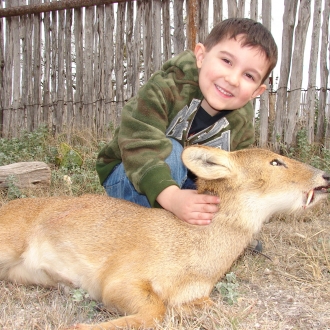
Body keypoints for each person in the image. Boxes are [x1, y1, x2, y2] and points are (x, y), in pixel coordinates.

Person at [96, 17, 278, 227]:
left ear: (257, 91)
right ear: (201, 56)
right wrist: (172, 197)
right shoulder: (167, 87)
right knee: (173, 151)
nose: (232, 79)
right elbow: (138, 142)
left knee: (219, 186)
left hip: (185, 185)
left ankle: (196, 225)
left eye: (248, 75)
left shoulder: (242, 126)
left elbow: (231, 177)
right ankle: (148, 227)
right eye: (227, 61)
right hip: (131, 174)